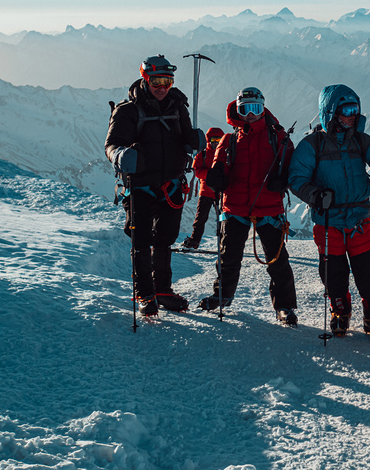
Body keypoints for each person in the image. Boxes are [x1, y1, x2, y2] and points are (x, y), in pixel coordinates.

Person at [288, 84, 370, 340]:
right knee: (333, 273)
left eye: (356, 110)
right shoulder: (312, 145)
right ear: (330, 113)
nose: (353, 115)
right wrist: (315, 195)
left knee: (369, 272)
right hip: (328, 220)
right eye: (347, 109)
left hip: (359, 219)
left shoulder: (361, 141)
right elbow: (296, 178)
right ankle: (340, 311)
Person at [105, 55, 204, 315]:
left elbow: (184, 136)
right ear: (145, 78)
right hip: (140, 186)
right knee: (141, 239)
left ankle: (162, 290)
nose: (162, 87)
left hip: (170, 184)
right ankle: (145, 293)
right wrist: (120, 155)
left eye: (167, 81)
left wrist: (192, 140)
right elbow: (111, 144)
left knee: (164, 239)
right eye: (157, 81)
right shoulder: (127, 111)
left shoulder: (177, 106)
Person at [199, 87, 298, 326]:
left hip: (268, 207)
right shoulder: (230, 139)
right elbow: (218, 167)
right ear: (238, 111)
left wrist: (283, 180)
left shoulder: (278, 137)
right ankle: (222, 295)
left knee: (277, 260)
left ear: (263, 109)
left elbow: (292, 169)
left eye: (256, 108)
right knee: (228, 257)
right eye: (246, 109)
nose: (251, 114)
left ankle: (285, 307)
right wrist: (217, 176)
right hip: (235, 207)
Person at [182, 126, 224, 250]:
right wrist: (212, 174)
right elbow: (197, 171)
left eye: (218, 140)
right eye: (214, 140)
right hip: (206, 192)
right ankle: (195, 240)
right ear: (208, 140)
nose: (216, 143)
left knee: (224, 219)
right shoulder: (203, 154)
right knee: (200, 219)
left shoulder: (224, 154)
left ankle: (225, 241)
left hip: (220, 192)